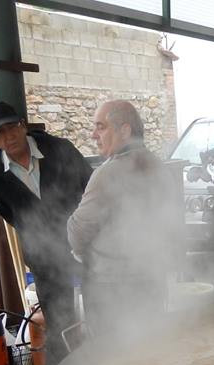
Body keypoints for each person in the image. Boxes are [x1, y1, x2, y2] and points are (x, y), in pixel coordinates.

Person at [0, 101, 93, 365]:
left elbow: (91, 190)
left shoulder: (60, 149)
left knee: (100, 307)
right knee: (58, 320)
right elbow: (10, 213)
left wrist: (81, 228)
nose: (9, 137)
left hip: (84, 243)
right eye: (0, 133)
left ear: (23, 125)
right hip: (42, 253)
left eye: (13, 128)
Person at [67, 100, 182, 333]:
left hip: (111, 288)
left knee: (112, 358)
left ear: (125, 130)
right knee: (151, 347)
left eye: (101, 127)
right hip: (152, 280)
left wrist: (81, 251)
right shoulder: (160, 167)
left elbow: (77, 231)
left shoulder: (107, 173)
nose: (93, 135)